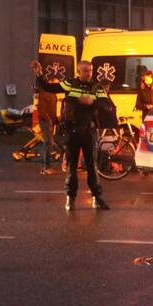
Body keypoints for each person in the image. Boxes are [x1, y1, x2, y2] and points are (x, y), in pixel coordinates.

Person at [30, 59, 111, 211]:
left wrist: (91, 102)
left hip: (88, 131)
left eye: (90, 70)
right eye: (85, 71)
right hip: (72, 131)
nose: (89, 73)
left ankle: (96, 197)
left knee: (92, 166)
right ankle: (70, 198)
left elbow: (108, 107)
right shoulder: (70, 84)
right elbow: (49, 87)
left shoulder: (97, 88)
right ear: (79, 72)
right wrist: (39, 75)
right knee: (71, 166)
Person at [35, 74, 60, 175]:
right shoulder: (45, 93)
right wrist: (49, 119)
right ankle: (45, 167)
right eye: (56, 83)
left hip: (50, 122)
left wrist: (56, 119)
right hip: (45, 122)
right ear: (51, 82)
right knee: (47, 143)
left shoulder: (52, 93)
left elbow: (52, 109)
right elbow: (41, 109)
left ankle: (46, 166)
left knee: (50, 142)